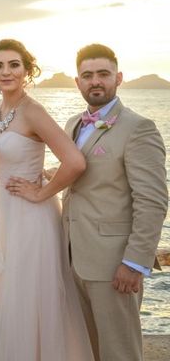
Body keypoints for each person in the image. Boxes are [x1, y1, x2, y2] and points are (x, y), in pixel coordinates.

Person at [0, 39, 94, 361]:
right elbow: (2, 157)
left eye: (14, 65)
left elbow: (75, 161)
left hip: (30, 217)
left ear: (27, 71)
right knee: (2, 293)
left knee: (26, 299)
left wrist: (42, 192)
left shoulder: (33, 111)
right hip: (1, 212)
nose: (6, 72)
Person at [62, 44, 168, 361]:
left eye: (103, 74)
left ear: (118, 78)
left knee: (119, 352)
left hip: (113, 264)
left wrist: (134, 263)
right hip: (73, 256)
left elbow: (152, 201)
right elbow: (77, 179)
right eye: (87, 75)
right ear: (77, 81)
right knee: (88, 349)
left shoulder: (138, 128)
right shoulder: (72, 125)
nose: (96, 81)